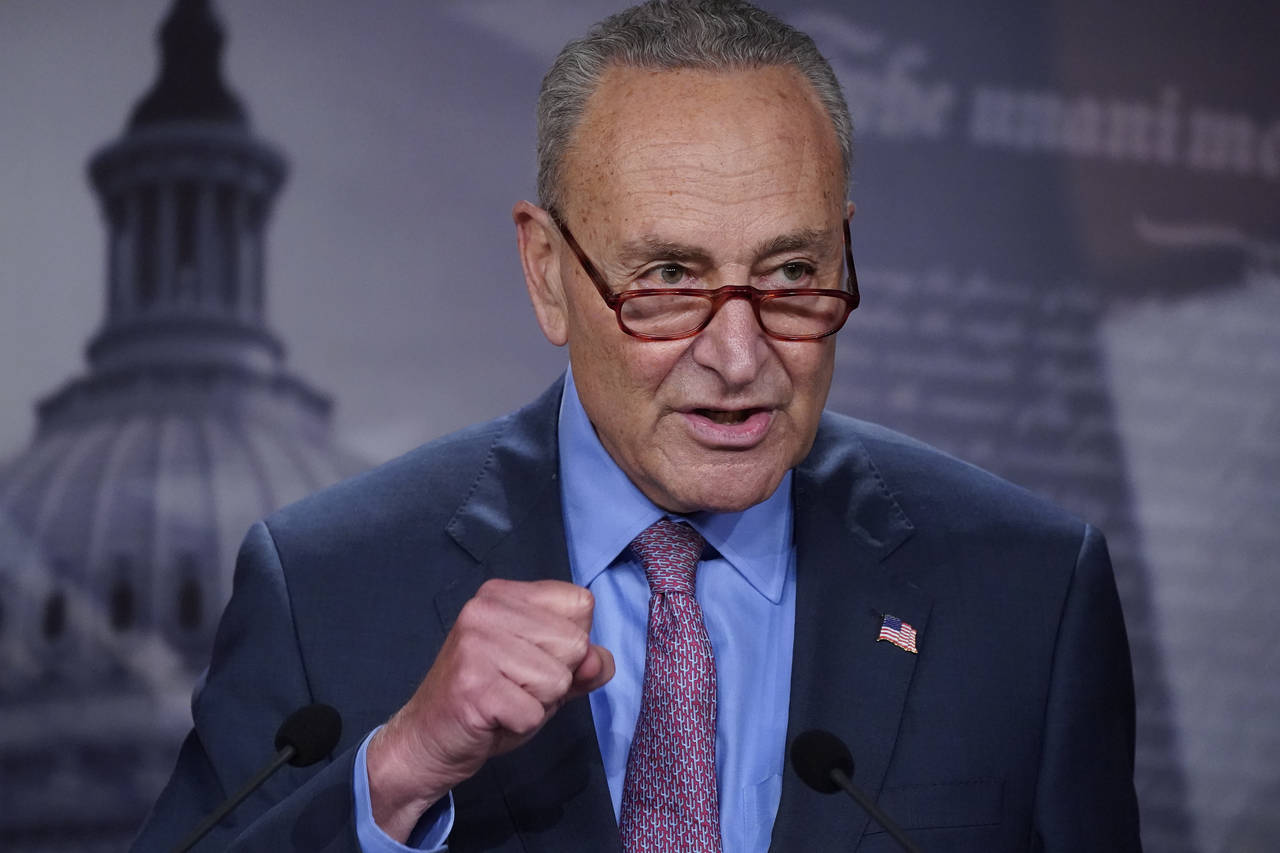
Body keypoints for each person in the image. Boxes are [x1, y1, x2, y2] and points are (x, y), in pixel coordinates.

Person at [133, 1, 1142, 851]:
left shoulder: (1028, 594)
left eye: (792, 274)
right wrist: (391, 781)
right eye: (667, 278)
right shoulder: (327, 586)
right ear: (546, 273)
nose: (740, 357)